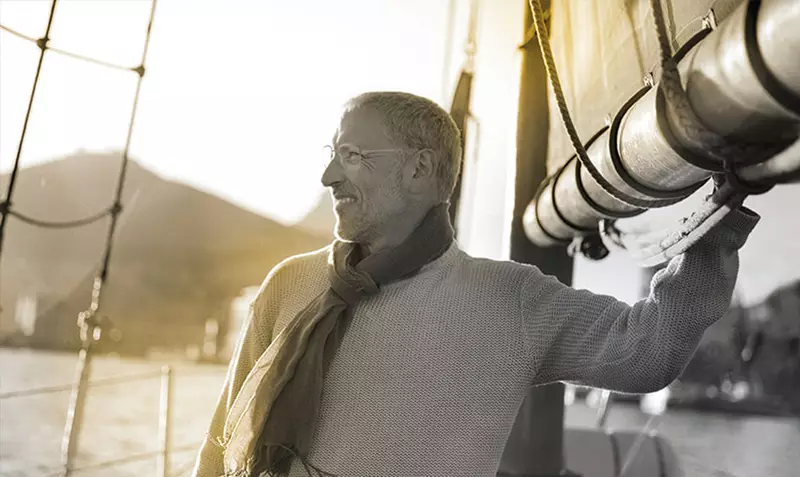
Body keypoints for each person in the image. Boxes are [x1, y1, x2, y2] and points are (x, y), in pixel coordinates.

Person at [191, 91, 759, 477]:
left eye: (352, 155)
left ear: (418, 170)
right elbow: (222, 444)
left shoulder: (507, 302)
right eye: (331, 154)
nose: (328, 175)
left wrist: (719, 219)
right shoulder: (290, 283)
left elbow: (648, 353)